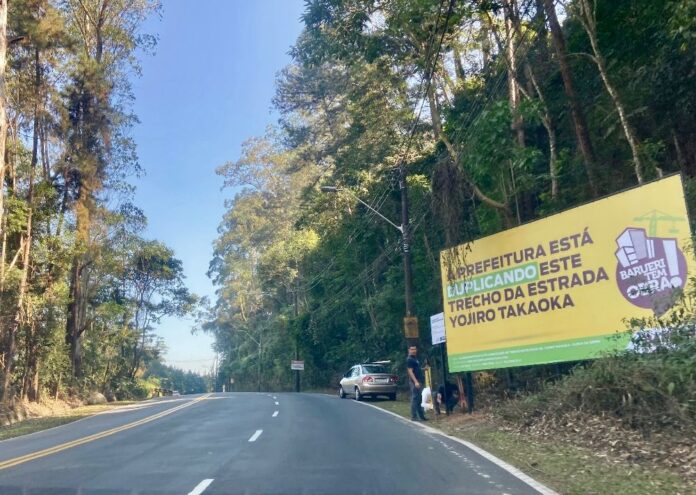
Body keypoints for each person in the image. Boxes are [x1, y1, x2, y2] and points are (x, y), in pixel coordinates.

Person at [406, 345, 427, 421]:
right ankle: (413, 416)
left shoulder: (415, 359)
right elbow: (410, 371)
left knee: (420, 399)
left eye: (415, 349)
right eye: (412, 349)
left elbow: (416, 369)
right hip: (415, 382)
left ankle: (421, 416)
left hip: (419, 380)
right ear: (409, 350)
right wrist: (415, 382)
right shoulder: (409, 359)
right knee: (415, 398)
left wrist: (423, 369)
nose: (413, 351)